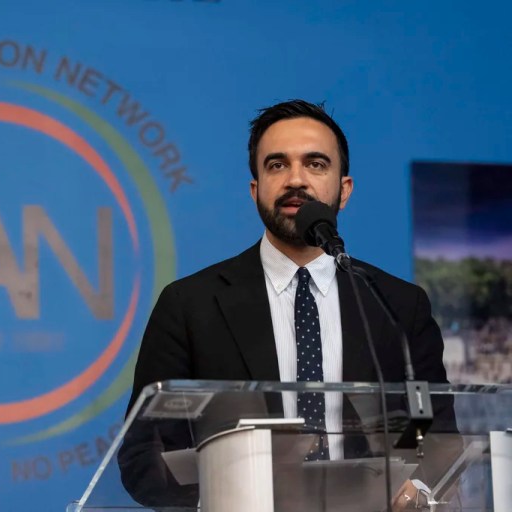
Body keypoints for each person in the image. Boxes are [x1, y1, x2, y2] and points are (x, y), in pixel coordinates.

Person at [117, 100, 453, 510]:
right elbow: (144, 454)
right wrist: (221, 500)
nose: (296, 179)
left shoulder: (397, 305)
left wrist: (415, 486)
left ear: (344, 190)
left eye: (316, 164)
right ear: (255, 189)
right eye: (277, 165)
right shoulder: (189, 305)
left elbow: (430, 427)